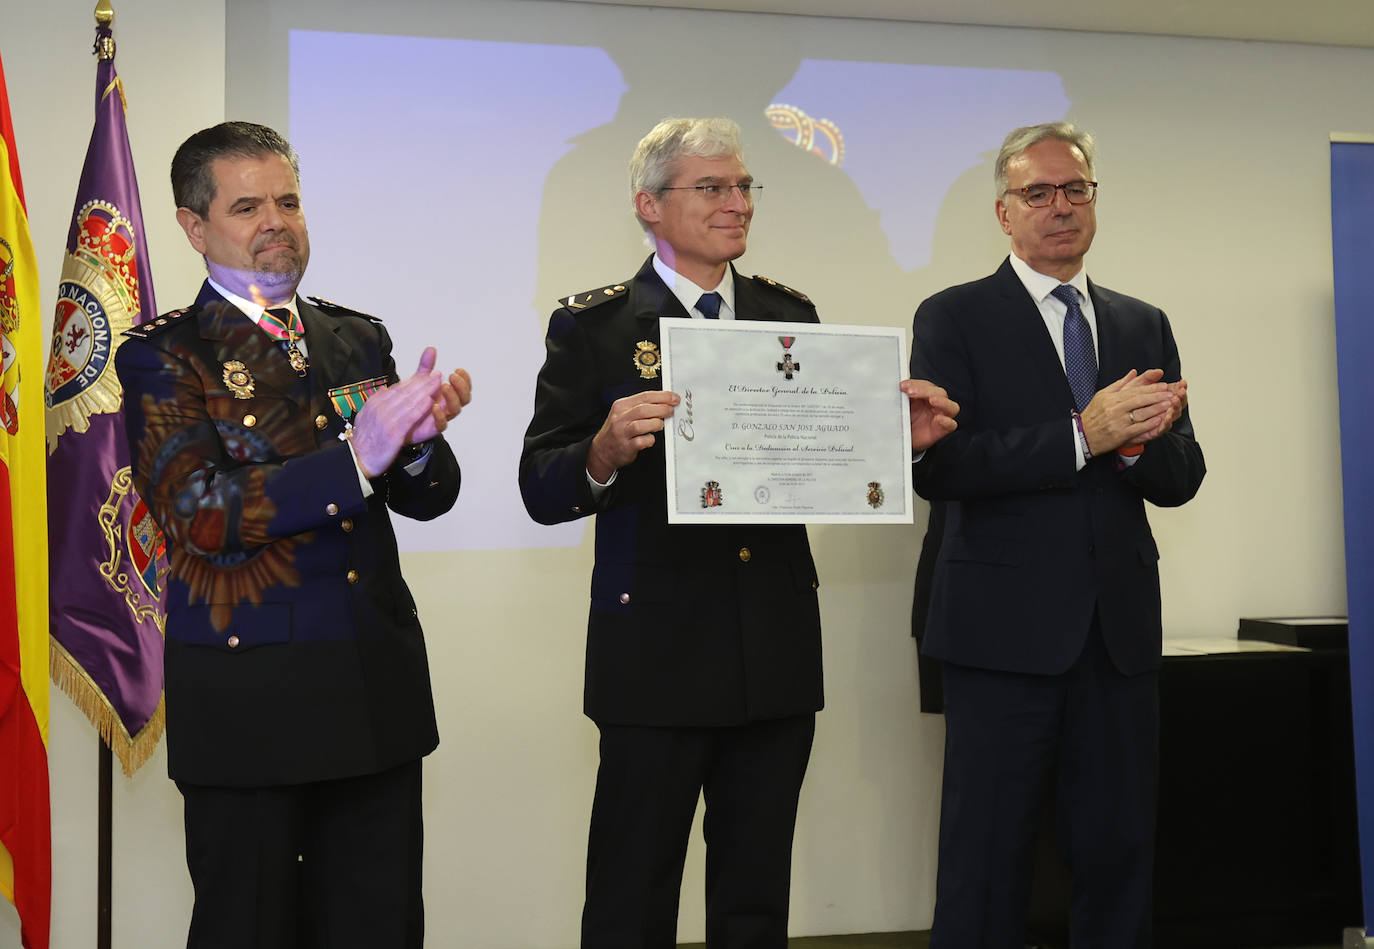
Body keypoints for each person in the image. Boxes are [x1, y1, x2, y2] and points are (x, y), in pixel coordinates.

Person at [520, 116, 955, 948]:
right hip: (654, 651)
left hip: (773, 643)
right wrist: (602, 451)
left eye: (744, 185)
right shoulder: (598, 326)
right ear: (648, 205)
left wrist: (893, 448)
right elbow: (541, 486)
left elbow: (819, 461)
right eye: (711, 187)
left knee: (755, 894)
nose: (735, 203)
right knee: (632, 888)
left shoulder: (789, 314)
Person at [115, 121, 471, 949]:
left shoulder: (356, 336)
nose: (277, 219)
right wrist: (358, 457)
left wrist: (416, 443)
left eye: (289, 200)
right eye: (248, 205)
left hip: (372, 696)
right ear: (195, 226)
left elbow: (431, 497)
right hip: (251, 710)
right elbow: (199, 511)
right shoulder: (164, 356)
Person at [910, 121, 1206, 947]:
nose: (1061, 207)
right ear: (1004, 213)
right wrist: (1085, 434)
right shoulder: (955, 316)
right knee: (986, 859)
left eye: (1076, 189)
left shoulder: (1142, 321)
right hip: (1000, 635)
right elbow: (942, 467)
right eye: (1038, 193)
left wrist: (1140, 442)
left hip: (1117, 638)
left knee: (1117, 855)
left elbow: (1182, 477)